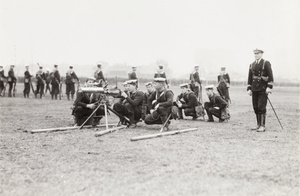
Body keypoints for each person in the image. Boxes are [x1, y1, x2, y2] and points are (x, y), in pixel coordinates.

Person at [247, 48, 274, 132]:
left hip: (263, 88)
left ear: (261, 54)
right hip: (254, 89)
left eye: (258, 53)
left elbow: (270, 76)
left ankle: (262, 125)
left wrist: (269, 87)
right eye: (255, 54)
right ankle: (258, 125)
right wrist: (249, 88)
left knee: (261, 107)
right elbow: (250, 78)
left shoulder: (266, 63)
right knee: (255, 107)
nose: (256, 55)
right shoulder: (252, 64)